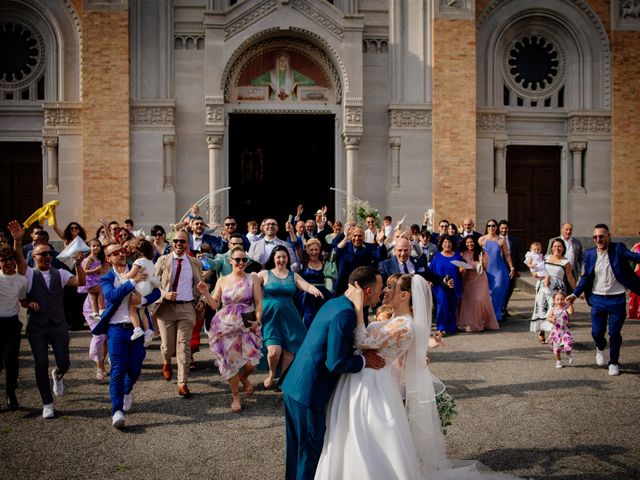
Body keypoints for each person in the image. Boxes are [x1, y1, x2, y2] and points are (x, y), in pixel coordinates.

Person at [315, 274, 519, 480]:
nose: (384, 291)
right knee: (351, 433)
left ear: (404, 295)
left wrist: (358, 307)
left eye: (389, 287)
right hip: (361, 377)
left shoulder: (405, 325)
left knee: (370, 433)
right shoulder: (393, 319)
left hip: (373, 382)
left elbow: (363, 340)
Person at [281, 266, 385, 480]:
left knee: (297, 452)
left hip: (295, 386)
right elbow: (335, 362)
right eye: (380, 287)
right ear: (367, 291)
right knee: (309, 454)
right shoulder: (345, 313)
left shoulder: (335, 303)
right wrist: (364, 360)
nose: (381, 292)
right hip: (309, 392)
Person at [98, 241, 159, 428]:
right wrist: (132, 281)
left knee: (135, 367)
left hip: (137, 326)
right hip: (116, 328)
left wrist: (144, 299)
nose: (120, 254)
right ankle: (117, 410)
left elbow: (156, 291)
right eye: (114, 253)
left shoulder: (138, 267)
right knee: (117, 369)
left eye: (122, 251)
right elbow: (111, 296)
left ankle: (126, 390)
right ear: (109, 259)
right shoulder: (107, 278)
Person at [566, 224, 640, 376]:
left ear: (608, 236)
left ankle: (613, 361)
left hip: (617, 299)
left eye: (601, 236)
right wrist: (574, 294)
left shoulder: (618, 248)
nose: (598, 239)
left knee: (614, 332)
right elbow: (586, 277)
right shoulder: (590, 254)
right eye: (595, 237)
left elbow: (635, 257)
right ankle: (600, 347)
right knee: (596, 332)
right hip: (597, 299)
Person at [23, 240, 86, 419]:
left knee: (64, 363)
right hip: (37, 327)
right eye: (43, 254)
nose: (47, 256)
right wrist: (18, 240)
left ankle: (58, 374)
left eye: (49, 253)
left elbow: (80, 282)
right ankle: (47, 403)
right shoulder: (28, 274)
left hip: (58, 325)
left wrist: (79, 264)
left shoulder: (60, 273)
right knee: (40, 364)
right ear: (34, 257)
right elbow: (19, 262)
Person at [199, 246, 263, 412]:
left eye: (244, 260)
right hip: (225, 323)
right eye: (238, 260)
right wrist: (205, 293)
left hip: (247, 320)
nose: (241, 263)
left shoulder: (253, 278)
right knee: (230, 361)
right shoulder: (222, 280)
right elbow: (214, 304)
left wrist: (258, 320)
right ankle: (235, 396)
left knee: (251, 362)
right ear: (230, 261)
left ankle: (244, 377)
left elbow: (258, 302)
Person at [257, 246, 323, 390]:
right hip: (270, 316)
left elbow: (305, 285)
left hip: (289, 316)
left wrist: (314, 290)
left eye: (284, 257)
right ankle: (272, 373)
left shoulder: (293, 275)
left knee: (289, 350)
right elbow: (248, 283)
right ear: (273, 258)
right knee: (274, 351)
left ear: (288, 259)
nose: (281, 260)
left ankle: (283, 379)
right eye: (278, 257)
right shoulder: (265, 274)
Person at [154, 229, 205, 397]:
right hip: (166, 308)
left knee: (183, 347)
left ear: (187, 244)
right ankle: (167, 362)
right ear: (172, 242)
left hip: (187, 308)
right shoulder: (162, 260)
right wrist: (164, 294)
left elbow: (203, 285)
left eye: (182, 241)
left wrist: (202, 301)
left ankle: (182, 382)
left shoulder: (194, 263)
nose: (178, 244)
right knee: (168, 347)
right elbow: (152, 284)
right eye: (175, 241)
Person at [0, 221, 28, 410]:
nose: (9, 263)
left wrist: (31, 304)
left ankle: (10, 393)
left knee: (11, 361)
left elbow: (22, 300)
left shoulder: (21, 280)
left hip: (11, 324)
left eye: (11, 259)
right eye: (4, 260)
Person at [531, 239, 576, 344]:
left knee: (556, 311)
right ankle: (541, 331)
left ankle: (558, 335)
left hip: (557, 290)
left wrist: (577, 291)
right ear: (551, 248)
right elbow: (535, 267)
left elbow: (570, 277)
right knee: (542, 309)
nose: (557, 248)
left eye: (559, 246)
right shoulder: (545, 258)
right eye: (555, 246)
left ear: (563, 248)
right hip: (543, 287)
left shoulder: (565, 262)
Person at [457, 235, 499, 332]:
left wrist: (481, 262)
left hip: (480, 279)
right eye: (467, 242)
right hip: (467, 279)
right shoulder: (462, 254)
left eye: (471, 242)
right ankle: (470, 323)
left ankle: (481, 322)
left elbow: (484, 268)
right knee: (469, 301)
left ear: (475, 243)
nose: (469, 244)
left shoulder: (482, 253)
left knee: (479, 300)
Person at [123, 239, 159, 345]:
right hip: (148, 287)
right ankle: (148, 331)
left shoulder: (138, 262)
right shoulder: (150, 262)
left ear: (139, 251)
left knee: (132, 308)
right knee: (142, 311)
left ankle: (137, 328)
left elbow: (130, 274)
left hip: (140, 286)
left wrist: (122, 276)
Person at [332, 225, 387, 295]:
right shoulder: (344, 246)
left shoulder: (369, 248)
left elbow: (381, 256)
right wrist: (345, 238)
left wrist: (381, 242)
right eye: (354, 236)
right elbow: (334, 254)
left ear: (364, 237)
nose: (357, 238)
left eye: (360, 236)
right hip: (342, 287)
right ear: (351, 236)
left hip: (360, 287)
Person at [479, 219, 515, 322]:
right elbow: (477, 254)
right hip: (486, 269)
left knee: (498, 289)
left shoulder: (501, 240)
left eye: (493, 226)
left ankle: (495, 315)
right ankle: (486, 315)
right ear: (487, 227)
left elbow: (507, 255)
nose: (491, 228)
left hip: (499, 269)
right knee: (487, 292)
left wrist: (512, 267)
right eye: (489, 225)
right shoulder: (481, 239)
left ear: (496, 227)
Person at [429, 235, 463, 335]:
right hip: (439, 285)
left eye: (449, 242)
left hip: (453, 284)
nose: (447, 244)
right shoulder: (437, 255)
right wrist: (430, 281)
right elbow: (431, 270)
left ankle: (451, 327)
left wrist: (462, 270)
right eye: (445, 242)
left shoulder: (457, 255)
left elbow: (462, 270)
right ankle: (441, 328)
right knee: (443, 303)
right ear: (441, 244)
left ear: (452, 244)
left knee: (452, 305)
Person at [296, 238, 333, 328]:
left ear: (320, 251)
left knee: (322, 320)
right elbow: (296, 245)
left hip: (322, 295)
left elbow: (336, 250)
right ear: (307, 251)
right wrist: (291, 231)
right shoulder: (303, 262)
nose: (314, 252)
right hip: (307, 296)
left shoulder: (324, 262)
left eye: (316, 249)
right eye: (311, 250)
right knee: (308, 319)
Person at [250, 52, 315, 101]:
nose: (283, 62)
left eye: (285, 60)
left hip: (290, 99)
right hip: (275, 99)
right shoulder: (271, 73)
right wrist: (269, 83)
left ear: (287, 62)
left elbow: (311, 82)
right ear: (277, 61)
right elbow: (254, 82)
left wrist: (296, 83)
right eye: (281, 60)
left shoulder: (293, 73)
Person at [80, 238, 107, 320]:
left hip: (95, 280)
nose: (96, 247)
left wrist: (99, 271)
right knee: (99, 290)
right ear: (89, 247)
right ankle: (102, 309)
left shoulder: (97, 258)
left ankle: (95, 312)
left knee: (94, 296)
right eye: (93, 246)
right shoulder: (89, 259)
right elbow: (84, 271)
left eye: (98, 246)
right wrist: (95, 270)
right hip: (89, 281)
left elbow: (97, 271)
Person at [546, 291, 575, 368]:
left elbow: (571, 312)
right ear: (554, 300)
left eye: (562, 299)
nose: (560, 301)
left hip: (565, 331)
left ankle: (569, 355)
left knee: (567, 344)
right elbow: (548, 317)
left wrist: (570, 303)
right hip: (556, 332)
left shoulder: (566, 308)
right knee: (557, 349)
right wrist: (552, 320)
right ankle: (558, 361)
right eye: (557, 299)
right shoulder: (553, 309)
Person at [499, 219, 520, 318]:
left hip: (510, 268)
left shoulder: (514, 240)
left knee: (510, 288)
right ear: (499, 228)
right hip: (499, 268)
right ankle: (500, 308)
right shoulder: (496, 239)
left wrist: (517, 269)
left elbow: (517, 255)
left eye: (506, 228)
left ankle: (504, 307)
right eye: (502, 228)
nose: (504, 230)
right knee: (501, 288)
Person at [628, 232, 640, 320]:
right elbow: (630, 260)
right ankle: (635, 313)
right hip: (638, 272)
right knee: (635, 294)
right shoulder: (637, 246)